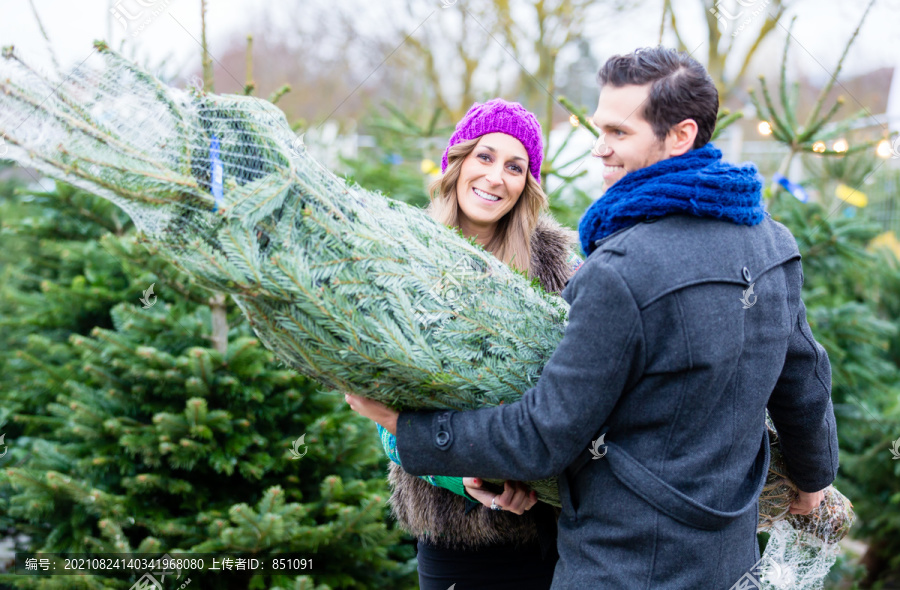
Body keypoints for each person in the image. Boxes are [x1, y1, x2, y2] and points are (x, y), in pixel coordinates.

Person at [346, 47, 839, 589]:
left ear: (680, 135)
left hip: (619, 564)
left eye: (619, 133)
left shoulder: (617, 270)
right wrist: (814, 479)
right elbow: (804, 382)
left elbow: (543, 434)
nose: (600, 148)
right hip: (727, 560)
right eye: (599, 128)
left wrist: (408, 428)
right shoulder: (773, 242)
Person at [358, 98, 582, 590]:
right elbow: (385, 419)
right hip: (456, 535)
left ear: (528, 183)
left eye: (515, 166)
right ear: (456, 163)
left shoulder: (562, 273)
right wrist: (462, 480)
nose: (496, 177)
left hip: (553, 533)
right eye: (484, 156)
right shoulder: (404, 262)